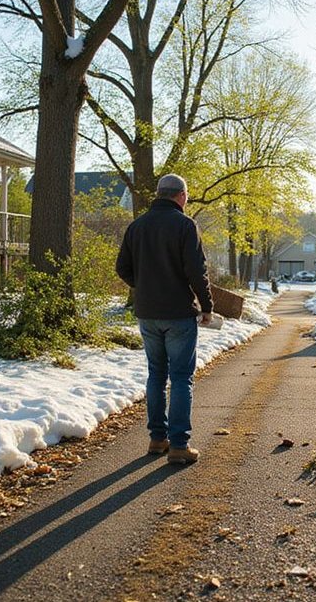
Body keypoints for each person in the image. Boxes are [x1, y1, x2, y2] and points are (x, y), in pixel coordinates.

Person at [115, 174, 213, 465]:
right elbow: (197, 271)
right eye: (187, 195)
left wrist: (143, 286)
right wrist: (206, 305)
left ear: (159, 194)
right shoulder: (185, 225)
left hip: (148, 313)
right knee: (181, 377)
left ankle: (157, 439)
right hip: (179, 313)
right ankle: (180, 445)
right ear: (181, 195)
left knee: (156, 375)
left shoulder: (137, 226)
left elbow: (122, 267)